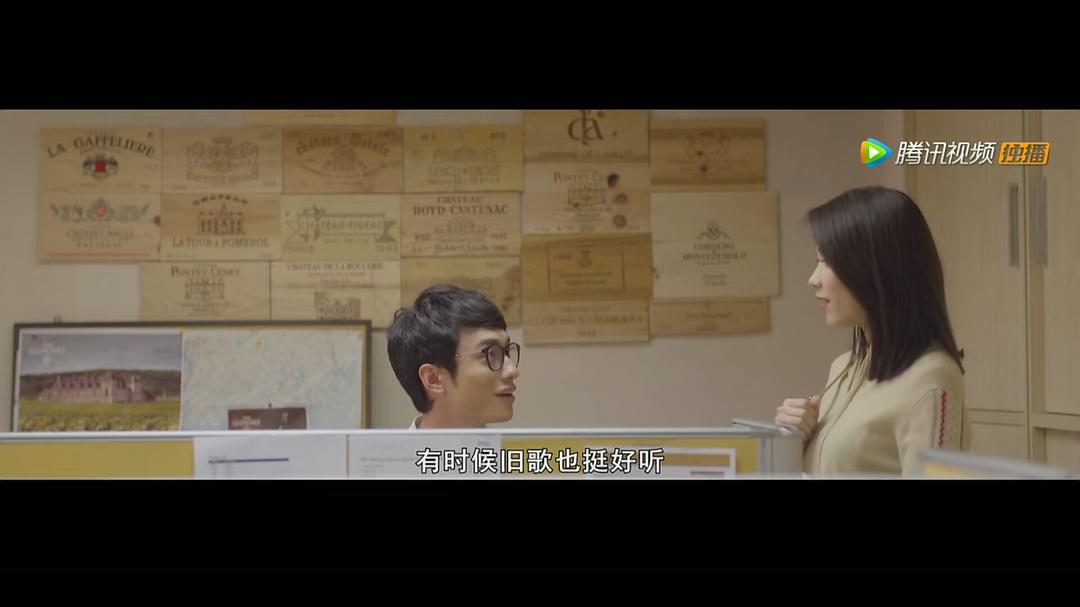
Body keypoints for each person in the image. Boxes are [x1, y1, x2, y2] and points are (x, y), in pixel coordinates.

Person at [775, 186, 965, 476]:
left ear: (876, 268)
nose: (813, 279)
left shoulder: (931, 380)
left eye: (827, 261)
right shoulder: (843, 368)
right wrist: (794, 443)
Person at [387, 284, 520, 429]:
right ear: (433, 378)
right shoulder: (386, 445)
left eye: (506, 351)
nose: (513, 371)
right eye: (491, 354)